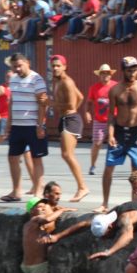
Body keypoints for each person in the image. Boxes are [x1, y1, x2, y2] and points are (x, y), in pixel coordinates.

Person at [98, 57, 137, 213]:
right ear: (123, 70)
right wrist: (110, 134)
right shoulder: (115, 90)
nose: (133, 73)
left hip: (136, 132)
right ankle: (104, 203)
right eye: (129, 70)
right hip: (119, 132)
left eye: (135, 70)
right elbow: (111, 115)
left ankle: (134, 205)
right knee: (109, 167)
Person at [1, 53, 48, 202]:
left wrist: (40, 126)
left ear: (28, 62)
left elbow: (42, 104)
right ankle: (16, 191)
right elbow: (12, 102)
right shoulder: (13, 80)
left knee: (36, 159)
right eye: (15, 67)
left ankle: (38, 193)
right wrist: (8, 124)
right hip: (17, 126)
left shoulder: (37, 79)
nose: (17, 69)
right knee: (12, 158)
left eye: (20, 65)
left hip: (33, 126)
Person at [50, 55, 89, 202]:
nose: (55, 68)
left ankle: (82, 187)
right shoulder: (58, 82)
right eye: (53, 66)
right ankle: (81, 187)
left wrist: (51, 103)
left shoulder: (67, 82)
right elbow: (80, 96)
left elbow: (72, 105)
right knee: (66, 154)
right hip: (67, 119)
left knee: (68, 155)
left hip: (70, 120)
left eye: (58, 66)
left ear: (65, 66)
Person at [21, 196, 67, 273]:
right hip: (39, 268)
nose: (42, 209)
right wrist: (61, 210)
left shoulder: (27, 225)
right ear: (31, 211)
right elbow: (48, 219)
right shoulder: (36, 220)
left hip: (27, 267)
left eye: (43, 206)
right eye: (38, 207)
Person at [85, 64, 117, 176]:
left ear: (110, 75)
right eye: (103, 73)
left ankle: (111, 166)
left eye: (107, 73)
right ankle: (92, 165)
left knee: (114, 143)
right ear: (99, 75)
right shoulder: (94, 88)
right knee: (97, 143)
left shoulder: (116, 86)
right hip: (100, 120)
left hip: (114, 120)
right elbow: (88, 102)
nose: (105, 76)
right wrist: (87, 112)